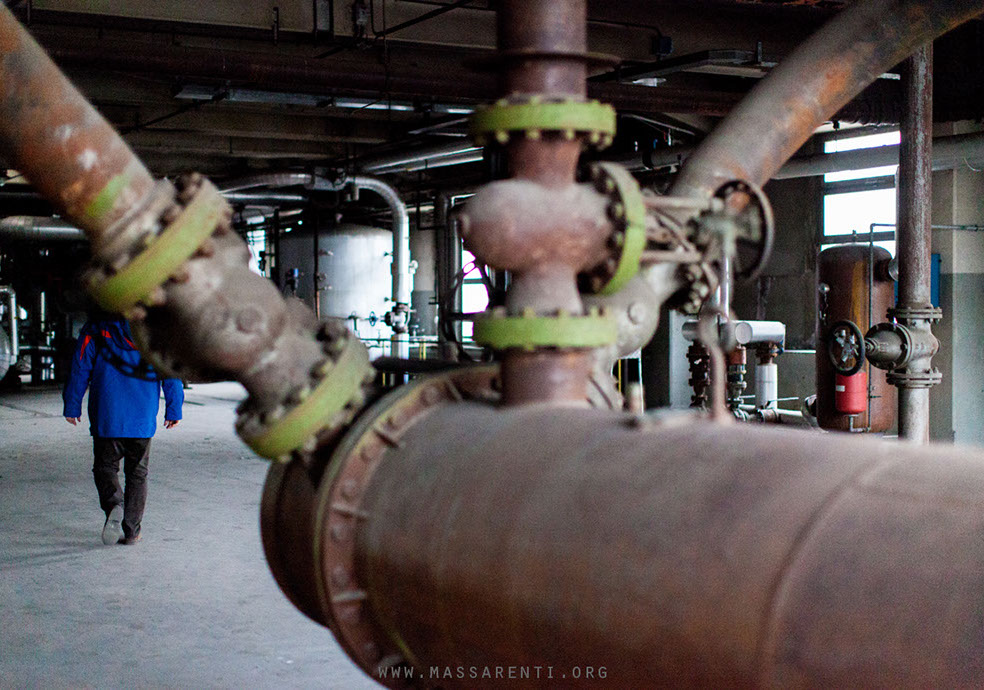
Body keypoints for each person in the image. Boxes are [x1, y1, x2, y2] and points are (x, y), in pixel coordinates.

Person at [63, 315, 183, 545]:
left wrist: (72, 404)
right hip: (142, 416)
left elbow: (79, 367)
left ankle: (114, 505)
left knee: (105, 468)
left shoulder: (96, 328)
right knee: (137, 473)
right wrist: (174, 408)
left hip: (107, 414)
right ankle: (132, 531)